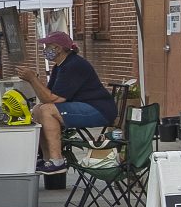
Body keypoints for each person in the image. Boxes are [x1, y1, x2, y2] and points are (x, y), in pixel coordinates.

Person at [28, 31, 117, 173]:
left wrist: (33, 79)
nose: (45, 51)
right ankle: (47, 160)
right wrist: (35, 81)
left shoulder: (73, 65)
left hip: (99, 109)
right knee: (39, 108)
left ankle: (57, 160)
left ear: (57, 48)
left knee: (46, 110)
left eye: (47, 47)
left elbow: (53, 99)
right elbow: (47, 97)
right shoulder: (60, 66)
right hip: (83, 106)